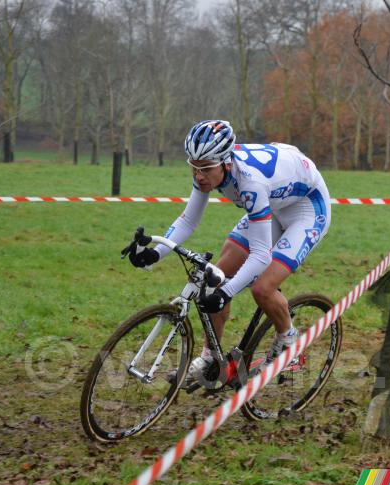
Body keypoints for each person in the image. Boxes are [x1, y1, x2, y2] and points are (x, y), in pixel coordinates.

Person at [128, 119, 331, 383]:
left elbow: (260, 255)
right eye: (194, 167)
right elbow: (189, 220)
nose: (199, 175)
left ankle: (288, 344)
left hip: (306, 209)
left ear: (226, 162)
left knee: (262, 288)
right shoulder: (209, 168)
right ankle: (211, 359)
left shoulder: (249, 184)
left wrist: (227, 293)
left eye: (205, 169)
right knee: (216, 277)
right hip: (274, 202)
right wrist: (155, 253)